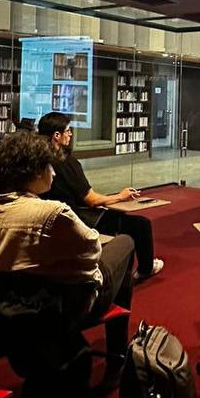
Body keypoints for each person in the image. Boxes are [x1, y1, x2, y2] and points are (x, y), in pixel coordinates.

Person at [0, 131, 134, 367]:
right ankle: (118, 356)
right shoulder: (53, 212)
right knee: (125, 244)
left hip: (6, 300)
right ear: (37, 171)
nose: (55, 172)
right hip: (65, 303)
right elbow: (92, 251)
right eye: (50, 166)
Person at [36, 111, 164, 280]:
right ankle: (145, 269)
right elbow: (92, 200)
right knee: (141, 225)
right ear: (56, 136)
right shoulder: (66, 163)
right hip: (79, 218)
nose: (71, 134)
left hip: (50, 217)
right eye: (68, 131)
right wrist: (120, 196)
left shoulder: (37, 159)